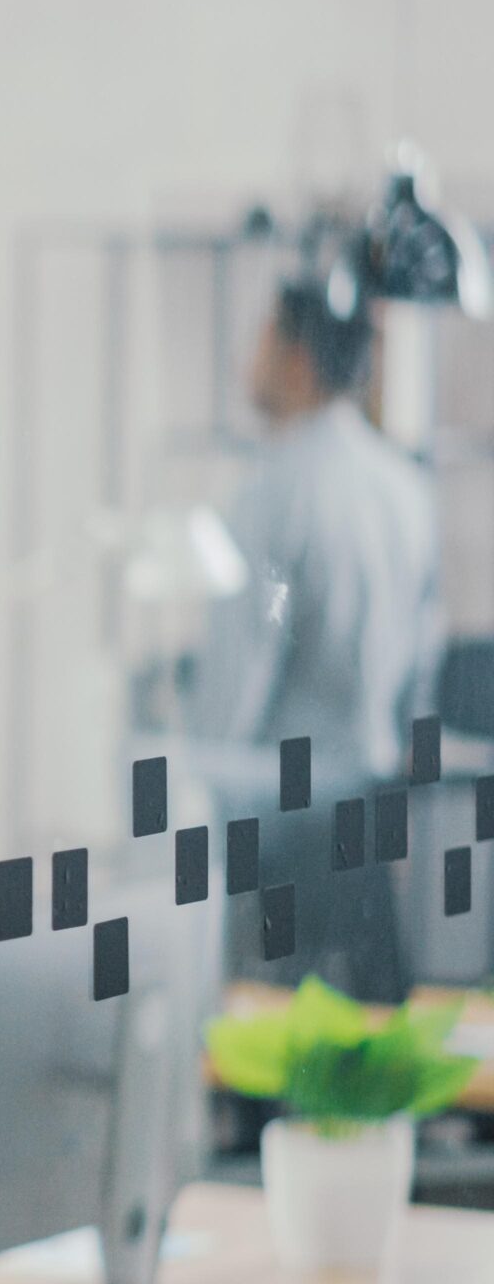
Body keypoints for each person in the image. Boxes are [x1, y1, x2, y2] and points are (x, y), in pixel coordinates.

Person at [191, 275, 442, 998]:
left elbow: (244, 670)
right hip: (374, 800)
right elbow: (423, 655)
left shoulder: (273, 491)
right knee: (369, 1025)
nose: (246, 360)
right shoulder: (405, 489)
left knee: (268, 1023)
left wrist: (197, 778)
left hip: (287, 815)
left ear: (297, 359)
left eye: (261, 339)